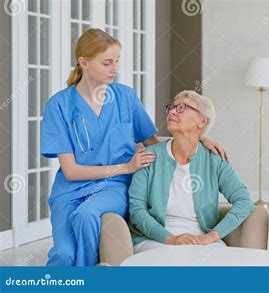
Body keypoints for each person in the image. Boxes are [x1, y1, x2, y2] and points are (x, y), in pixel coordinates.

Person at [40, 28, 227, 266]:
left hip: (113, 186)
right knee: (63, 255)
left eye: (117, 61)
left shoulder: (125, 97)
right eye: (107, 63)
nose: (115, 69)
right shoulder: (59, 105)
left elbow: (152, 142)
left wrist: (198, 139)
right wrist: (126, 166)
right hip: (70, 190)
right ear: (84, 63)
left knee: (86, 216)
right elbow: (71, 172)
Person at [129, 90, 254, 253]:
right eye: (172, 107)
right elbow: (137, 209)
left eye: (182, 108)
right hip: (155, 239)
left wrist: (212, 236)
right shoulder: (149, 156)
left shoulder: (214, 159)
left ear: (202, 121)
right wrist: (171, 239)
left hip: (201, 240)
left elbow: (244, 202)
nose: (172, 111)